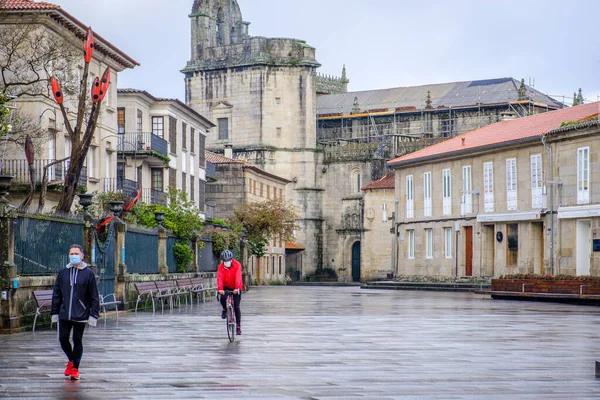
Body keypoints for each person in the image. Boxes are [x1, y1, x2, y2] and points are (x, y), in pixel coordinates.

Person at [51, 244, 99, 380]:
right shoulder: (63, 272)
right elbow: (57, 293)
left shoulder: (88, 273)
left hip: (81, 313)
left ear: (82, 256)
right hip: (65, 312)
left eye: (76, 253)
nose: (74, 256)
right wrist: (55, 312)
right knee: (63, 339)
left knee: (77, 340)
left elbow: (94, 296)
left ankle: (75, 369)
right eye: (71, 253)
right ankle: (72, 360)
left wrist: (93, 314)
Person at [217, 249, 243, 335]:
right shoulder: (221, 267)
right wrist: (220, 289)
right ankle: (224, 309)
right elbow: (219, 278)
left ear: (231, 259)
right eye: (225, 261)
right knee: (222, 298)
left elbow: (238, 277)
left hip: (236, 286)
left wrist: (237, 288)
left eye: (228, 261)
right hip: (226, 286)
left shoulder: (237, 265)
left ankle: (238, 326)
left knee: (236, 306)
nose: (226, 262)